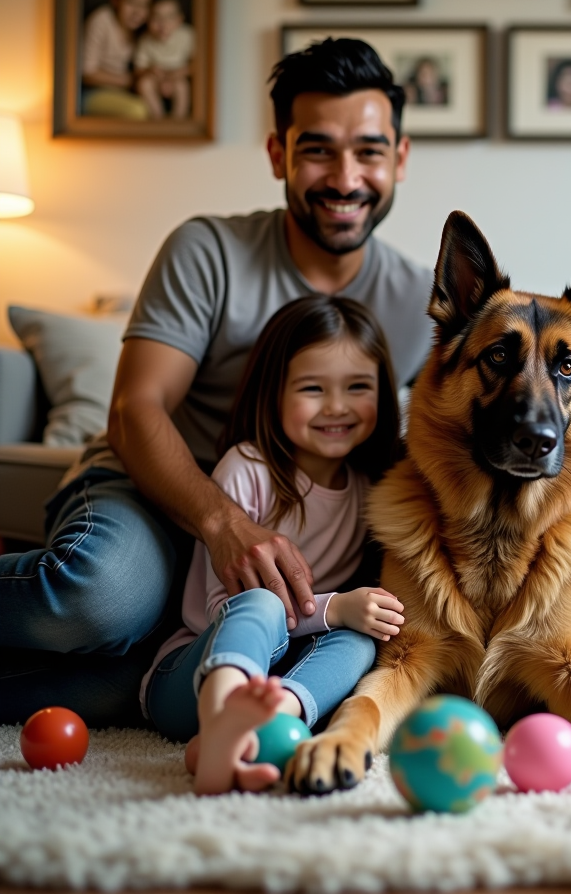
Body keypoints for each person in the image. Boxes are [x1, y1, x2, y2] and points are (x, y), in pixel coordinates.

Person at [0, 37, 435, 727]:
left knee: (127, 684)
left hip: (277, 540)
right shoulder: (208, 250)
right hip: (155, 494)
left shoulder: (418, 302)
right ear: (277, 154)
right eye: (317, 148)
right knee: (106, 600)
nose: (346, 177)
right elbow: (137, 411)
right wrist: (226, 523)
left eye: (370, 152)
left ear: (400, 159)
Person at [146, 295, 404, 793]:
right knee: (262, 603)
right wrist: (334, 608)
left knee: (359, 640)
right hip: (193, 673)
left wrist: (350, 616)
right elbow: (226, 607)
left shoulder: (372, 488)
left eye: (358, 387)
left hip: (286, 671)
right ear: (274, 392)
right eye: (312, 388)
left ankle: (265, 724)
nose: (337, 406)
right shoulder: (248, 468)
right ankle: (223, 717)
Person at [80, 0, 154, 119]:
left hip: (124, 93)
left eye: (144, 5)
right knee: (138, 110)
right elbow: (87, 73)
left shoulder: (146, 29)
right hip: (91, 93)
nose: (138, 12)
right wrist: (129, 80)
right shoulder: (101, 20)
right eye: (132, 2)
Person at [134, 0, 195, 120]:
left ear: (179, 19)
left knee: (182, 86)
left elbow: (197, 64)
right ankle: (158, 120)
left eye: (169, 17)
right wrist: (151, 71)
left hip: (179, 77)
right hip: (156, 78)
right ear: (148, 20)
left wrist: (180, 73)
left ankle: (179, 122)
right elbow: (139, 69)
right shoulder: (145, 40)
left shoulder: (188, 35)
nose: (163, 24)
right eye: (157, 18)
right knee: (144, 84)